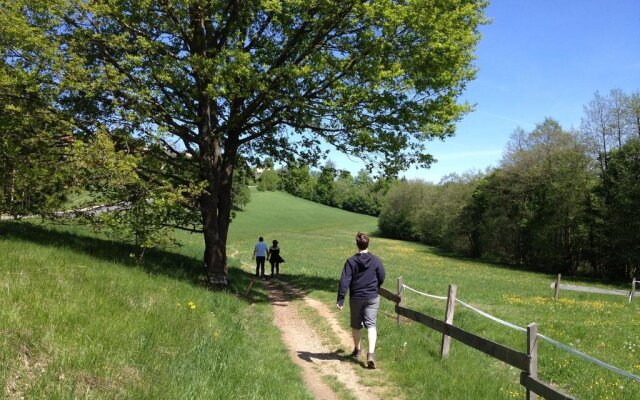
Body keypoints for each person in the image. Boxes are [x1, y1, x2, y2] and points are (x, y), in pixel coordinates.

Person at [336, 232, 385, 369]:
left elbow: (344, 280)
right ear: (368, 244)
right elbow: (381, 276)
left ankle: (357, 350)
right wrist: (375, 286)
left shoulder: (351, 261)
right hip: (372, 297)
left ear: (357, 244)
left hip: (356, 297)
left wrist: (340, 299)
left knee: (356, 325)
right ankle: (370, 355)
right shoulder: (376, 260)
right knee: (371, 325)